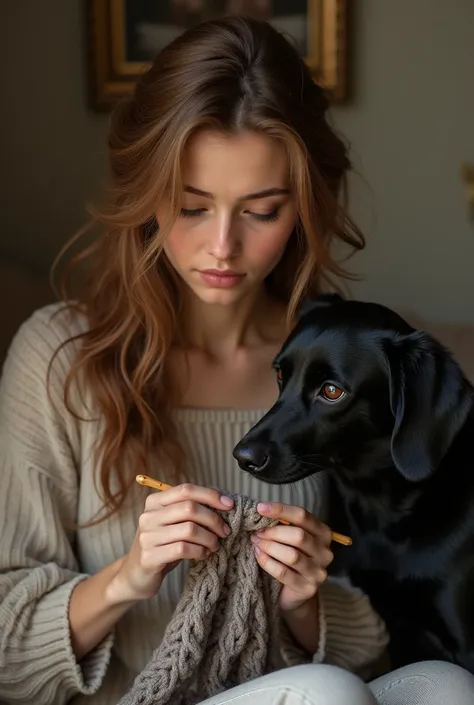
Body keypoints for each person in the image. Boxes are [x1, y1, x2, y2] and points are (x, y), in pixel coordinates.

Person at [0, 15, 473, 705]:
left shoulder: (332, 367)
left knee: (449, 687)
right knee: (325, 692)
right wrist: (130, 575)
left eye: (262, 209)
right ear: (146, 196)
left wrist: (305, 604)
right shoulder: (57, 360)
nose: (222, 246)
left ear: (306, 204)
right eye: (192, 206)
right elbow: (7, 652)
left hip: (303, 692)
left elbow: (380, 632)